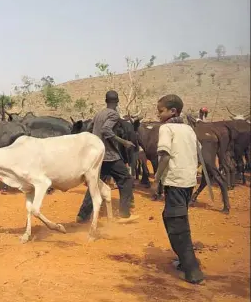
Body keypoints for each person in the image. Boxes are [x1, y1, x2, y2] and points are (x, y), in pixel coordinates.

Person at [151, 94, 204, 284]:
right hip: (188, 181)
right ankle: (184, 261)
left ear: (173, 111)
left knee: (176, 223)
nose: (158, 115)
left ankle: (192, 271)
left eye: (161, 111)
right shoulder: (188, 129)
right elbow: (198, 151)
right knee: (174, 218)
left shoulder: (166, 128)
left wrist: (156, 180)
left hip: (175, 181)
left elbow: (164, 156)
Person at [76, 90, 139, 224]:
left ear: (106, 100)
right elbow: (106, 130)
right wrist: (124, 142)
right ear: (117, 101)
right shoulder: (113, 114)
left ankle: (82, 215)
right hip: (110, 155)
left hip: (96, 155)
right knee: (126, 179)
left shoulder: (99, 114)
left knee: (96, 183)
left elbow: (90, 128)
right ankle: (124, 214)